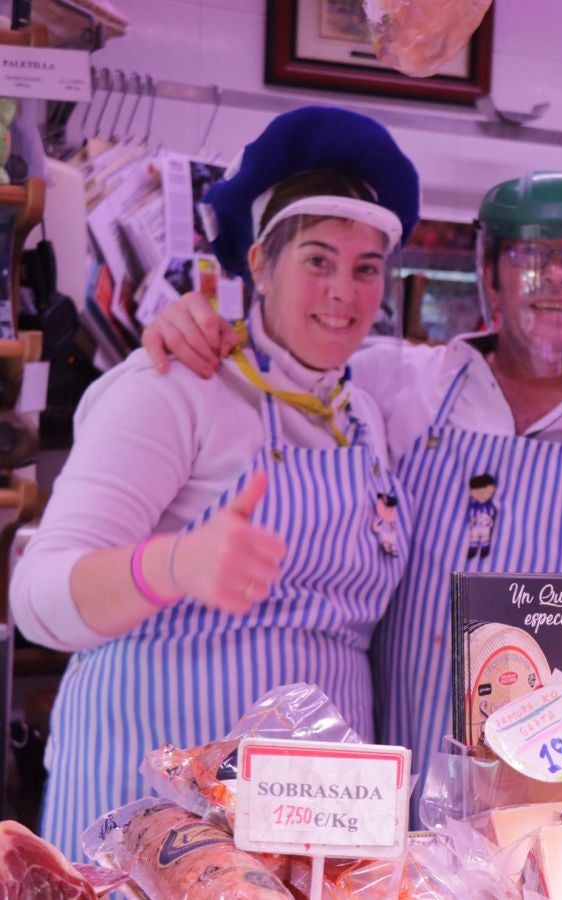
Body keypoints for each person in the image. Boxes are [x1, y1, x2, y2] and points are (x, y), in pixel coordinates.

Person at [141, 171, 562, 777]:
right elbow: (290, 354)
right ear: (489, 276)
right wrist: (204, 324)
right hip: (400, 806)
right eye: (529, 255)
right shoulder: (400, 383)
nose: (554, 275)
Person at [10, 106, 419, 857]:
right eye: (318, 260)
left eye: (366, 269)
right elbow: (36, 599)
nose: (345, 291)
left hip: (310, 828)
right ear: (259, 264)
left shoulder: (366, 413)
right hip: (150, 811)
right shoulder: (174, 386)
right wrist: (173, 565)